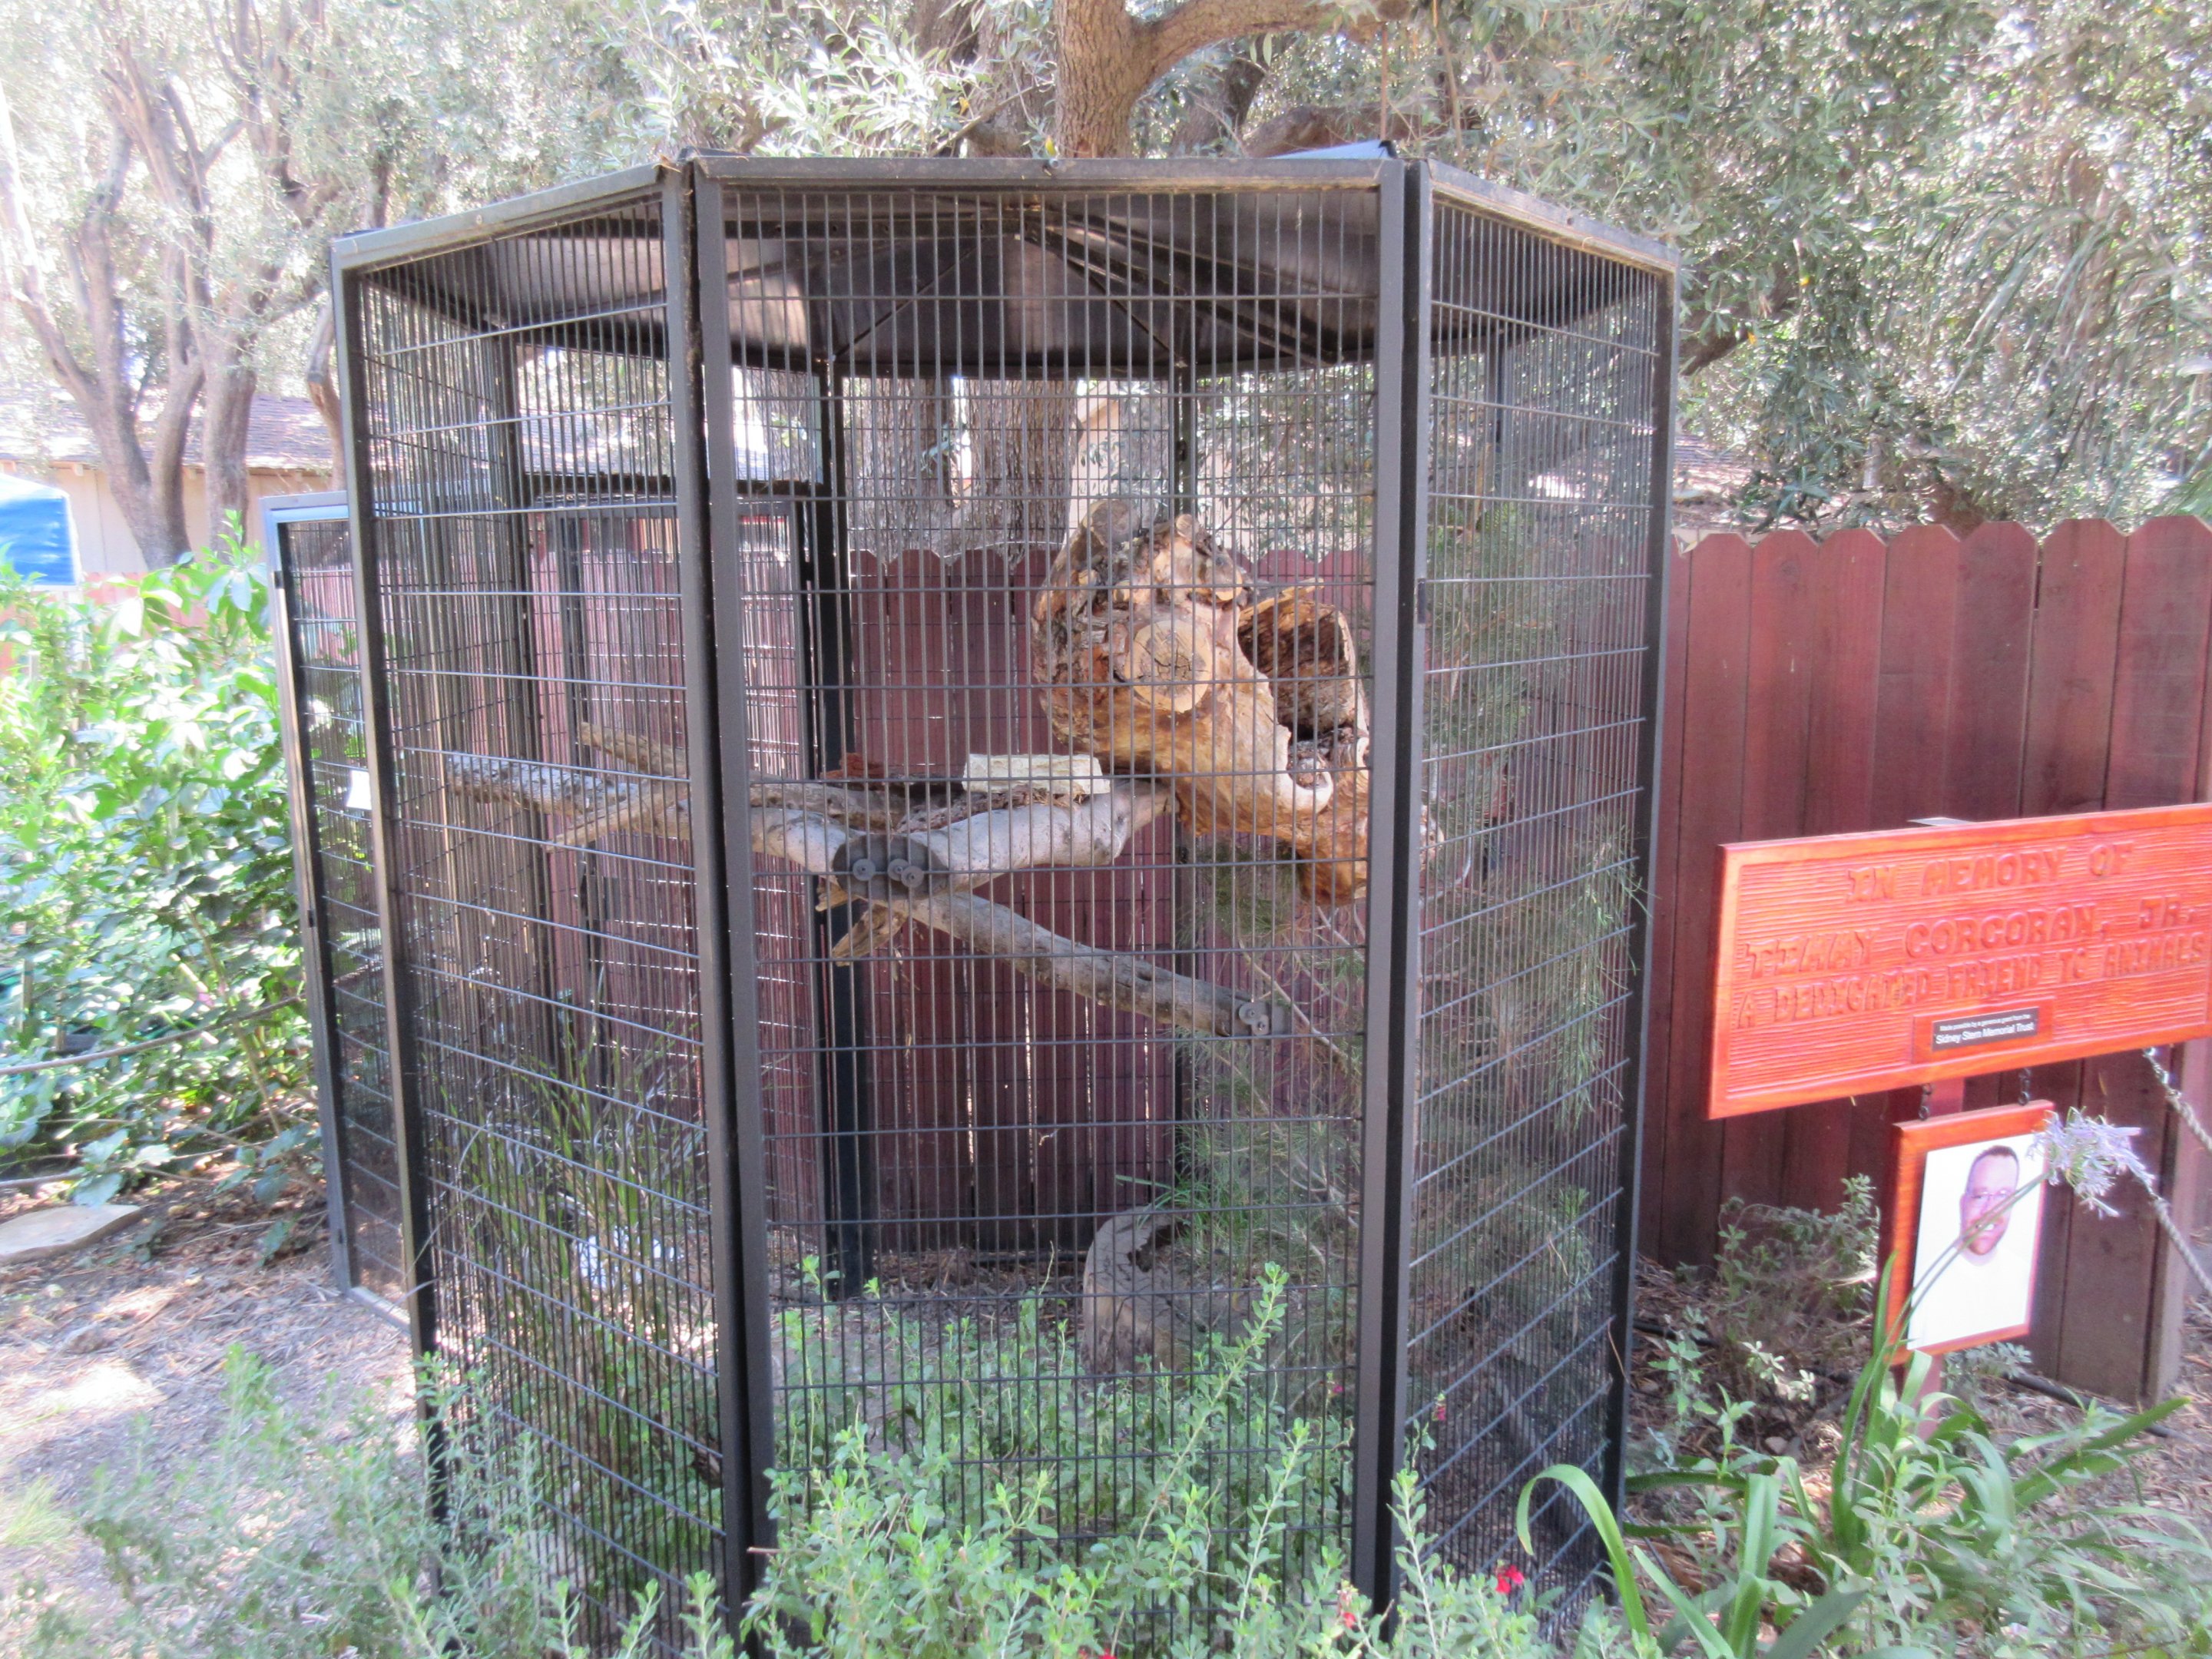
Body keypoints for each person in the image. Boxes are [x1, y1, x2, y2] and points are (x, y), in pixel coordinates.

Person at [1956, 1144, 2021, 1260]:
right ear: (1963, 1204)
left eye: (2002, 1196)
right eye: (1980, 1196)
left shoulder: (2023, 1273)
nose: (1990, 1210)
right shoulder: (1928, 1273)